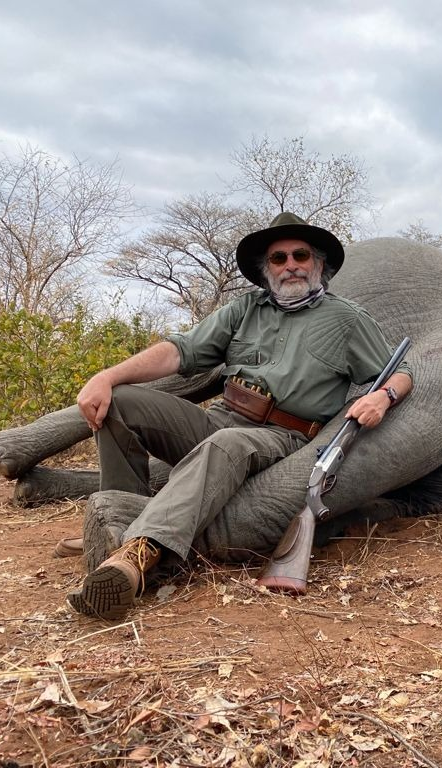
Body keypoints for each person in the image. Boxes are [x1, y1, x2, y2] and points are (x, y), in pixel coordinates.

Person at [65, 212, 412, 620]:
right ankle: (122, 515)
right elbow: (180, 351)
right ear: (267, 270)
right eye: (278, 258)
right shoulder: (245, 308)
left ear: (318, 264)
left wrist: (384, 396)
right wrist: (107, 376)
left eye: (300, 254)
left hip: (280, 436)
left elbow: (402, 372)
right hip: (220, 418)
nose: (291, 265)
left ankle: (136, 555)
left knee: (227, 444)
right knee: (122, 402)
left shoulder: (348, 319)